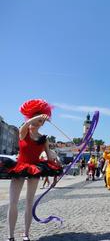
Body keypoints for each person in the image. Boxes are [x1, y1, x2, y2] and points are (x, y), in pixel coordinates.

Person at [6, 99, 62, 241]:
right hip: (20, 166)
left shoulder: (44, 139)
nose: (40, 121)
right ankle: (11, 236)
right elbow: (25, 125)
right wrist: (39, 116)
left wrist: (56, 160)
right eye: (37, 117)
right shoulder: (23, 131)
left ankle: (26, 234)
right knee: (13, 202)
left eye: (42, 119)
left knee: (30, 201)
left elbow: (49, 156)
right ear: (31, 116)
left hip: (35, 168)